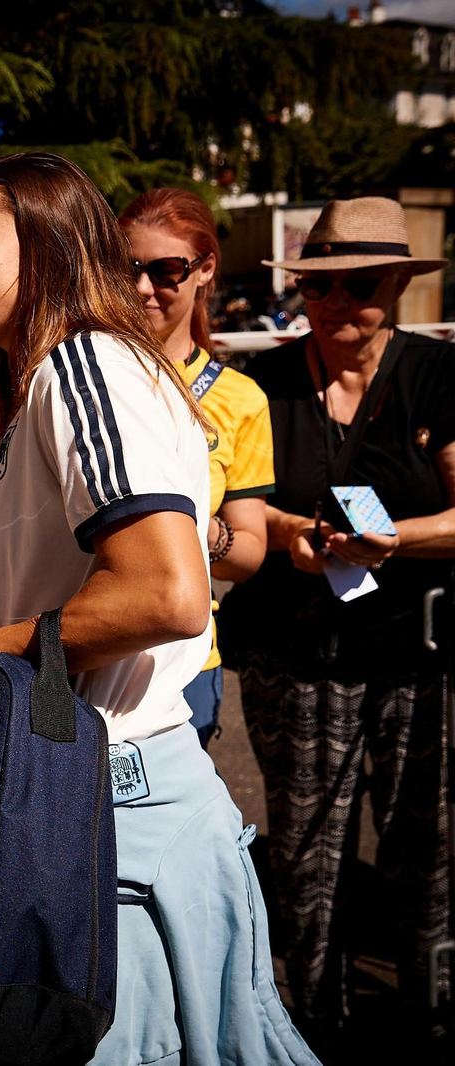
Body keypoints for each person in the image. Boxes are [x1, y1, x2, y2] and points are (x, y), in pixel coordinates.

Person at [0, 152, 317, 1065]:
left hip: (110, 807)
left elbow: (167, 594)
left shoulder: (86, 369)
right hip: (82, 795)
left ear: (50, 245)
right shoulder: (57, 381)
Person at [218, 196, 454, 1042]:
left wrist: (395, 539)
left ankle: (424, 1018)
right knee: (307, 863)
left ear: (395, 285)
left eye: (358, 286)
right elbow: (239, 508)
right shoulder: (267, 385)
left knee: (421, 853)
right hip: (298, 656)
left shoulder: (435, 376)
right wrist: (289, 536)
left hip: (414, 662)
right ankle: (316, 1029)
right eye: (319, 288)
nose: (336, 304)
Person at [119, 189, 274, 747]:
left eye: (166, 271)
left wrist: (203, 532)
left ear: (204, 269)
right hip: (89, 644)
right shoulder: (81, 375)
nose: (142, 288)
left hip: (186, 659)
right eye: (128, 267)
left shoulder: (239, 399)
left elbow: (252, 551)